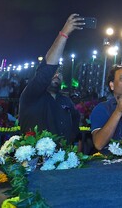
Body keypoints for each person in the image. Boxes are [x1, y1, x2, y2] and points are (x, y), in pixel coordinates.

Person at [18, 14, 82, 145]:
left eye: (60, 72)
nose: (56, 75)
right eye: (54, 72)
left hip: (64, 162)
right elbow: (46, 70)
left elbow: (76, 127)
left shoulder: (66, 101)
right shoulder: (32, 95)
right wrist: (64, 33)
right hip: (36, 162)